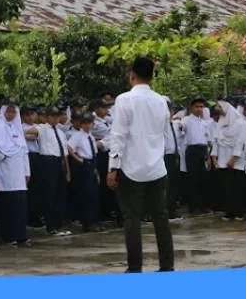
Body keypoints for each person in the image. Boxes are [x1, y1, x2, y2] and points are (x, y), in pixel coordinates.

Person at [106, 57, 174, 273]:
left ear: (132, 74)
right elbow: (164, 133)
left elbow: (118, 136)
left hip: (131, 168)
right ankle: (167, 265)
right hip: (156, 167)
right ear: (152, 77)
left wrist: (113, 167)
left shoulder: (124, 100)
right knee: (160, 218)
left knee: (132, 218)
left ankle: (135, 267)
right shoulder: (161, 101)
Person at [0, 101, 31, 247]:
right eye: (8, 111)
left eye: (13, 112)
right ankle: (9, 236)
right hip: (5, 172)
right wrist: (3, 156)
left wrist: (27, 171)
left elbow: (24, 150)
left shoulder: (16, 128)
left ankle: (20, 234)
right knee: (8, 206)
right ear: (3, 112)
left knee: (20, 205)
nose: (11, 114)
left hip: (19, 174)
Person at [37, 107, 71, 237]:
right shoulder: (43, 128)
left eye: (57, 116)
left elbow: (65, 154)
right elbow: (31, 131)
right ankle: (50, 225)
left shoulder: (61, 133)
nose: (55, 119)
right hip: (47, 161)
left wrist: (67, 171)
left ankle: (58, 224)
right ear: (47, 117)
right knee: (49, 194)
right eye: (52, 116)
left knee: (60, 194)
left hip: (59, 162)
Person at [212, 99, 246, 221]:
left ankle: (239, 212)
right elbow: (216, 141)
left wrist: (233, 158)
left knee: (237, 186)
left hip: (236, 160)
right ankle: (229, 211)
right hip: (222, 159)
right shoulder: (220, 123)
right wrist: (214, 157)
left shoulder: (240, 123)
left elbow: (240, 142)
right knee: (226, 187)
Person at [67, 114, 99, 233]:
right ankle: (87, 221)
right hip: (84, 164)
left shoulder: (90, 136)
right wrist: (77, 158)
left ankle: (93, 220)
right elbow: (69, 148)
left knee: (94, 194)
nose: (87, 125)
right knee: (86, 193)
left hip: (92, 163)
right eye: (84, 123)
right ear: (81, 124)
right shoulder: (77, 136)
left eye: (89, 123)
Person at [180, 98, 211, 215]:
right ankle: (193, 206)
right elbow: (181, 127)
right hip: (192, 150)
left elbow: (207, 140)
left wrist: (207, 155)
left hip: (202, 150)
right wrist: (180, 125)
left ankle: (202, 206)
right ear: (191, 108)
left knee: (203, 179)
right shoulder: (186, 120)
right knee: (192, 179)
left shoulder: (204, 122)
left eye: (201, 107)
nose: (199, 109)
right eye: (197, 107)